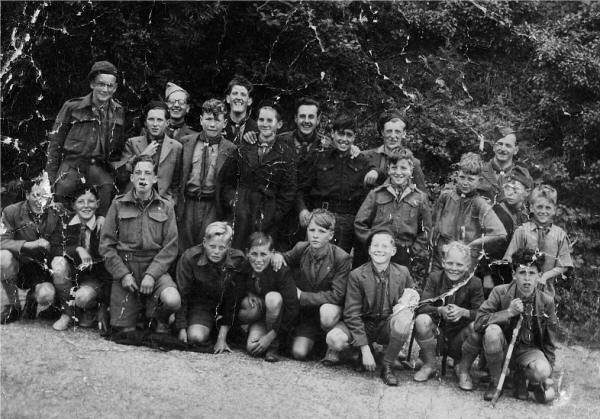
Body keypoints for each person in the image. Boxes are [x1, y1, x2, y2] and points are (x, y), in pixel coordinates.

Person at [325, 230, 419, 386]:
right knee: (334, 339)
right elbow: (352, 313)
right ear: (369, 250)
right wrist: (365, 349)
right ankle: (358, 351)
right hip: (363, 323)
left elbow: (411, 299)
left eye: (385, 246)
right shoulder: (356, 275)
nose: (379, 249)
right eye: (375, 245)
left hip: (385, 324)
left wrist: (408, 303)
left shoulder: (403, 273)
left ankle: (387, 365)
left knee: (403, 320)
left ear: (393, 251)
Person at [99, 155, 181, 333]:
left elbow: (171, 247)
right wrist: (123, 275)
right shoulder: (118, 204)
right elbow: (106, 246)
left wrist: (152, 275)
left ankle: (161, 319)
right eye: (138, 173)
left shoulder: (166, 207)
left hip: (155, 270)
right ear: (132, 178)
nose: (142, 177)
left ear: (154, 178)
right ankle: (122, 314)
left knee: (173, 300)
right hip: (126, 270)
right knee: (125, 332)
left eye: (147, 173)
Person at [467, 248, 558, 403]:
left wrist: (547, 375)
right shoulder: (499, 292)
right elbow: (479, 322)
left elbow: (550, 341)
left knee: (542, 370)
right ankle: (496, 381)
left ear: (540, 276)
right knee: (492, 332)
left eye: (532, 273)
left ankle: (521, 377)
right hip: (501, 347)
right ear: (514, 275)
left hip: (528, 350)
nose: (527, 279)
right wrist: (508, 312)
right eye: (522, 273)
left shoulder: (546, 301)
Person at [45, 60, 126, 222]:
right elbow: (54, 145)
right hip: (71, 166)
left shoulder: (118, 111)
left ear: (115, 88)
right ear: (92, 84)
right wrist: (51, 178)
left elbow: (118, 148)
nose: (105, 89)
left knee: (104, 212)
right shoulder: (72, 107)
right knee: (58, 204)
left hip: (99, 168)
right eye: (101, 84)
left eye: (110, 86)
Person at [271, 209, 352, 361]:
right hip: (306, 316)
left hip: (328, 311)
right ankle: (310, 341)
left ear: (331, 235)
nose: (315, 235)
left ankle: (332, 345)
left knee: (327, 313)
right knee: (299, 353)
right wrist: (277, 255)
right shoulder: (301, 248)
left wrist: (303, 296)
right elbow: (284, 258)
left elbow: (337, 295)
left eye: (321, 231)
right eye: (311, 230)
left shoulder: (342, 258)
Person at [221, 102, 296, 250]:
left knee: (260, 254)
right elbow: (226, 181)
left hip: (267, 216)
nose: (265, 124)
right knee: (238, 253)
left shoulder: (286, 153)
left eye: (270, 120)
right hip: (241, 212)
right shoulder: (243, 148)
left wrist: (274, 214)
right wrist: (233, 201)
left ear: (279, 124)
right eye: (261, 120)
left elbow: (289, 190)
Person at [298, 114, 373, 253]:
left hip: (346, 222)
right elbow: (302, 188)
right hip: (320, 217)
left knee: (339, 264)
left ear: (354, 137)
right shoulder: (319, 157)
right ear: (332, 134)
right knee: (312, 260)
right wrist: (302, 209)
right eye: (340, 134)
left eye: (349, 135)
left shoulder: (361, 161)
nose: (344, 139)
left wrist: (375, 172)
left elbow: (381, 175)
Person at [413, 241, 484, 383]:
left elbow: (482, 314)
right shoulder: (435, 278)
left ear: (468, 266)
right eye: (450, 263)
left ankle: (463, 369)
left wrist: (464, 312)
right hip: (437, 335)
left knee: (477, 328)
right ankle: (430, 364)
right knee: (421, 320)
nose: (454, 268)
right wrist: (439, 310)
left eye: (459, 265)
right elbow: (421, 307)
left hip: (460, 338)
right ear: (443, 262)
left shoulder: (475, 283)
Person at [175, 222, 246, 354]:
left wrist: (222, 338)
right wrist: (181, 328)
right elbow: (182, 294)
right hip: (200, 306)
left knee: (248, 310)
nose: (216, 252)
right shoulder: (190, 258)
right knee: (195, 337)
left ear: (228, 246)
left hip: (226, 308)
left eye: (222, 247)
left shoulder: (238, 259)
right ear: (204, 242)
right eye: (212, 246)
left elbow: (233, 300)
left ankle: (223, 331)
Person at [0, 176, 63, 323]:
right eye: (36, 195)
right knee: (2, 258)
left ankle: (33, 297)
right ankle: (14, 307)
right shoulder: (11, 211)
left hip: (44, 267)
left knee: (46, 294)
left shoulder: (58, 212)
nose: (40, 200)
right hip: (22, 263)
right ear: (27, 195)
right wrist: (30, 244)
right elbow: (1, 241)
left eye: (45, 196)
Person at [354, 149, 431, 267]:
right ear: (388, 169)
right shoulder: (376, 194)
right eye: (394, 167)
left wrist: (412, 251)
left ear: (411, 171)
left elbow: (425, 230)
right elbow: (360, 223)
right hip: (378, 251)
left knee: (398, 284)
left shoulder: (420, 198)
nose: (398, 172)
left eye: (403, 168)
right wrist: (372, 243)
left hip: (404, 253)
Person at [177, 99, 237, 251]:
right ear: (201, 120)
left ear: (224, 123)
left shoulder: (231, 149)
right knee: (184, 246)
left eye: (217, 120)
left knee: (206, 246)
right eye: (209, 119)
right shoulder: (185, 142)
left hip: (212, 204)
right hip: (188, 203)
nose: (212, 124)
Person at [431, 152, 507, 272]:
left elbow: (500, 234)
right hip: (441, 256)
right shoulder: (446, 196)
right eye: (462, 177)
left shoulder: (480, 204)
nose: (465, 183)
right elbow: (434, 225)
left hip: (465, 260)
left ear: (479, 180)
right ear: (457, 175)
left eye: (471, 179)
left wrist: (472, 244)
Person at [50, 184, 111, 331]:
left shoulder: (103, 225)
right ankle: (67, 313)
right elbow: (55, 247)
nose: (86, 206)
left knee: (82, 297)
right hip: (72, 276)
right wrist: (77, 249)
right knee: (58, 263)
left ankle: (92, 309)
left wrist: (104, 305)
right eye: (80, 202)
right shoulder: (66, 222)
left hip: (94, 280)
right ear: (73, 205)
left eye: (90, 201)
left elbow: (109, 265)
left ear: (98, 204)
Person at [237, 232, 299, 362]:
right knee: (252, 348)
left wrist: (271, 336)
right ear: (247, 252)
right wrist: (249, 293)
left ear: (272, 253)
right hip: (261, 319)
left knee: (273, 298)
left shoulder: (280, 270)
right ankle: (245, 333)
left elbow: (293, 308)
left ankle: (275, 346)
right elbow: (236, 291)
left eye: (263, 254)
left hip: (278, 321)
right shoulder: (244, 267)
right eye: (254, 254)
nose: (258, 260)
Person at [503, 185, 573, 297]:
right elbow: (509, 259)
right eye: (539, 207)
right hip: (519, 291)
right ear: (531, 207)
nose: (543, 211)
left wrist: (544, 277)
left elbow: (564, 264)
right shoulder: (522, 231)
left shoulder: (559, 234)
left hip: (546, 292)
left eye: (548, 208)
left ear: (554, 210)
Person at [114, 101, 183, 202]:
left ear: (167, 123)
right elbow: (122, 175)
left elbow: (177, 182)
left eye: (159, 120)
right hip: (135, 200)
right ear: (146, 122)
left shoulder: (176, 147)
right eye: (151, 119)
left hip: (163, 202)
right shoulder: (132, 143)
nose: (155, 124)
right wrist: (142, 156)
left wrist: (171, 200)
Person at [361, 109, 427, 191]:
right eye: (389, 131)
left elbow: (422, 196)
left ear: (404, 134)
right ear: (382, 132)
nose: (393, 136)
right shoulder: (366, 157)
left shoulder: (413, 162)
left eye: (397, 132)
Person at [479, 126, 525, 202]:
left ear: (516, 150)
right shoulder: (479, 170)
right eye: (500, 144)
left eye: (508, 145)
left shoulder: (522, 175)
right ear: (494, 147)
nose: (503, 149)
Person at [223, 75, 258, 144]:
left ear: (249, 101)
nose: (239, 98)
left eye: (243, 94)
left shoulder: (257, 129)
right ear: (227, 99)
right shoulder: (218, 126)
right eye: (235, 93)